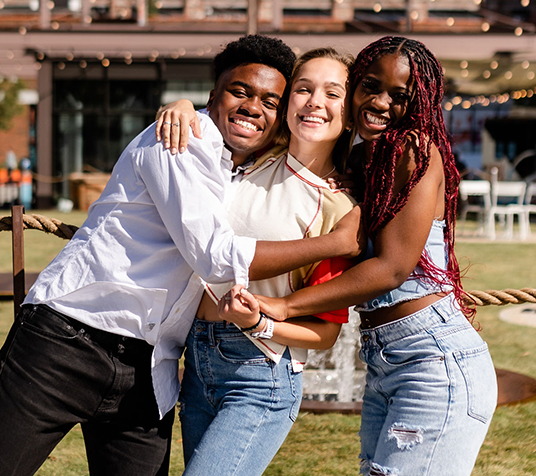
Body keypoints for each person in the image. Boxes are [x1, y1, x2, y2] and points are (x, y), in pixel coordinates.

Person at [0, 35, 362, 476]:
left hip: (151, 366)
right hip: (67, 341)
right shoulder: (179, 139)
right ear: (213, 96)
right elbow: (214, 256)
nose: (254, 107)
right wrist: (336, 242)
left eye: (271, 99)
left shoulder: (256, 164)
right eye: (240, 91)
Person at [249, 36, 497, 476]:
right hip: (388, 359)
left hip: (431, 359)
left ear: (419, 102)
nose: (381, 102)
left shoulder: (412, 150)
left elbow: (392, 268)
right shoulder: (365, 156)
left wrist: (285, 306)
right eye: (370, 86)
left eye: (400, 96)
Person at [175, 47, 358, 476]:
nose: (315, 102)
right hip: (196, 359)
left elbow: (326, 333)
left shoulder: (339, 208)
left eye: (333, 94)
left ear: (348, 115)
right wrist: (183, 106)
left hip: (260, 372)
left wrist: (260, 323)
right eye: (304, 89)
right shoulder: (248, 157)